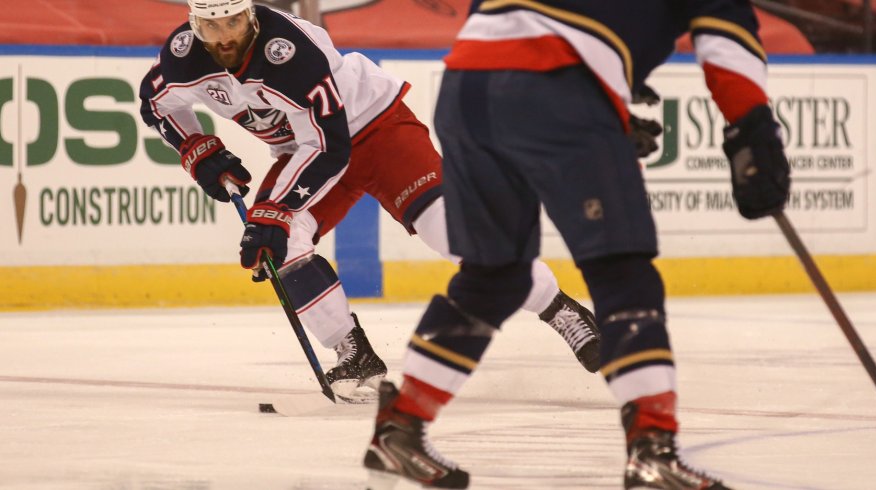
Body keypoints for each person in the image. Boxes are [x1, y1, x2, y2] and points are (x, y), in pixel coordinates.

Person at [362, 0, 790, 488]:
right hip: (557, 80)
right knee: (621, 269)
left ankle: (399, 426)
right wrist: (753, 132)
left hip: (466, 85)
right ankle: (653, 450)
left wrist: (600, 100)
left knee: (494, 274)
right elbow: (726, 39)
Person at [138, 0, 602, 401]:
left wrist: (275, 210)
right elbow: (156, 101)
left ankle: (560, 309)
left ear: (251, 16)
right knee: (279, 245)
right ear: (194, 22)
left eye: (233, 22)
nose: (223, 37)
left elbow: (332, 147)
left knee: (451, 234)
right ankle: (353, 353)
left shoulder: (289, 51)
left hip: (377, 131)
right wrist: (197, 149)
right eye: (211, 25)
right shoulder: (184, 55)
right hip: (305, 150)